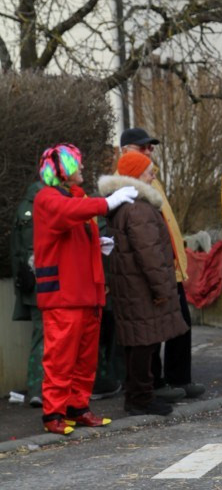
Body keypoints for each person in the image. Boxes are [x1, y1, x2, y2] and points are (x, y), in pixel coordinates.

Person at [32, 143, 137, 435]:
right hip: (64, 294)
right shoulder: (47, 199)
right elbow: (68, 213)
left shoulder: (72, 199)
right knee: (60, 356)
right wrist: (108, 203)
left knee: (84, 357)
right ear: (63, 171)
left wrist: (97, 244)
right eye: (76, 164)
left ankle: (77, 408)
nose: (81, 169)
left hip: (86, 292)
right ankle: (53, 413)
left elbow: (72, 225)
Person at [119, 127, 205, 401]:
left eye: (151, 147)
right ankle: (153, 385)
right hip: (152, 273)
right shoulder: (131, 183)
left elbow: (165, 224)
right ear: (126, 151)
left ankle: (176, 379)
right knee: (149, 332)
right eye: (143, 148)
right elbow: (144, 240)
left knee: (178, 323)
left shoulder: (149, 179)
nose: (150, 152)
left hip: (168, 268)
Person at [99, 152, 188, 416]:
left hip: (130, 285)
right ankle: (140, 398)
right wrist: (162, 289)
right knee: (142, 344)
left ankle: (139, 395)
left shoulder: (124, 204)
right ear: (137, 175)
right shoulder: (139, 208)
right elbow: (149, 254)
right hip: (141, 288)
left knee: (136, 342)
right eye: (149, 172)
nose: (153, 176)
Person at [10, 179, 44, 407]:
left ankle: (37, 388)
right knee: (46, 337)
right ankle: (39, 389)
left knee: (40, 336)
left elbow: (15, 251)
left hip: (30, 282)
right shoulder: (46, 205)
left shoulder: (24, 207)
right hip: (47, 281)